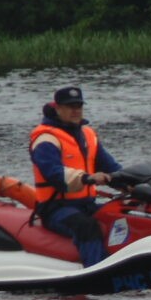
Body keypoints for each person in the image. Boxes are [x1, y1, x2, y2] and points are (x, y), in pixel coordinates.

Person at [29, 86, 123, 267]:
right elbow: (54, 173)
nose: (75, 110)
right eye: (70, 106)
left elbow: (110, 166)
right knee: (87, 227)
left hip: (86, 204)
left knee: (123, 215)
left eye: (78, 106)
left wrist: (131, 181)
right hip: (56, 209)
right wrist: (87, 178)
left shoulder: (88, 134)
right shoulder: (45, 139)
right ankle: (96, 272)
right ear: (58, 109)